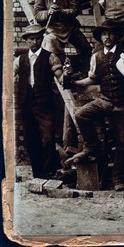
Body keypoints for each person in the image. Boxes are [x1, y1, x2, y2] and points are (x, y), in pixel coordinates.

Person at [72, 20, 124, 191]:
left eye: (111, 33)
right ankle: (91, 146)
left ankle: (117, 180)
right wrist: (76, 82)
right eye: (104, 34)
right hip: (105, 101)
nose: (107, 37)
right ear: (100, 37)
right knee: (80, 114)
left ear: (116, 36)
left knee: (122, 142)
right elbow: (92, 79)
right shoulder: (96, 56)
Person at [13, 24, 63, 179]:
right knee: (30, 138)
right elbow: (8, 76)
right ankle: (38, 173)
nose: (35, 41)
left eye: (38, 38)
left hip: (45, 104)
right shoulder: (19, 59)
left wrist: (65, 76)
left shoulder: (50, 57)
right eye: (31, 39)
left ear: (42, 39)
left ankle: (49, 172)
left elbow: (60, 77)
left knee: (48, 138)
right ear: (26, 41)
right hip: (26, 103)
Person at [33, 0, 92, 73]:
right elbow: (37, 14)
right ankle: (56, 77)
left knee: (86, 48)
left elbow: (75, 10)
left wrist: (62, 11)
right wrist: (48, 12)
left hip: (69, 27)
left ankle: (82, 73)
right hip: (51, 29)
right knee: (51, 53)